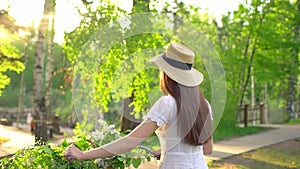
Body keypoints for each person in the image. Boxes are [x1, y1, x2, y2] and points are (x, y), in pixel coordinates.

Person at [64, 42, 213, 169]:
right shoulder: (204, 104)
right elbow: (207, 148)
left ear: (166, 74)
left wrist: (83, 155)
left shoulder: (167, 103)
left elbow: (130, 141)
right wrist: (165, 150)